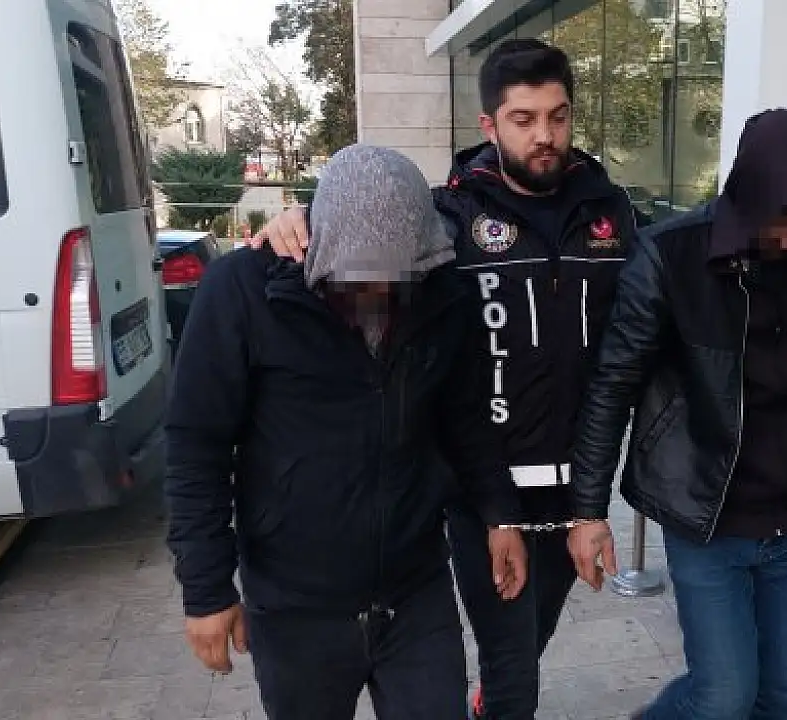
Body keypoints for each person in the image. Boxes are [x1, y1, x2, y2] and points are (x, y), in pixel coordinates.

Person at [252, 39, 644, 720]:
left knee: (532, 637)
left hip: (576, 482)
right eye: (523, 119)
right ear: (489, 125)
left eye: (557, 117)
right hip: (479, 486)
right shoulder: (450, 214)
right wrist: (299, 218)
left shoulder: (613, 214)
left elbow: (678, 274)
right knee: (514, 669)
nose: (544, 135)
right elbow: (366, 227)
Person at [164, 144, 529, 720]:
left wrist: (498, 513)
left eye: (395, 276)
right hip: (295, 604)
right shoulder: (244, 290)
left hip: (414, 590)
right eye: (358, 277)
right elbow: (195, 444)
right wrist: (207, 590)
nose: (377, 292)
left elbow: (465, 414)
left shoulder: (442, 289)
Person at [567, 108, 787, 720]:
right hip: (706, 514)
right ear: (751, 195)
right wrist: (588, 511)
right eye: (786, 214)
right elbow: (613, 383)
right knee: (722, 697)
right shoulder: (671, 256)